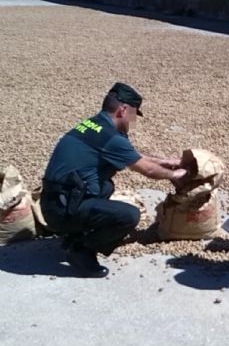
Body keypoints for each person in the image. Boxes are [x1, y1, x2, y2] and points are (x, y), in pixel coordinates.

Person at [41, 82, 187, 278]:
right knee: (129, 215)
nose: (133, 120)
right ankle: (82, 250)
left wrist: (165, 161)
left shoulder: (95, 125)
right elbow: (148, 170)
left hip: (55, 202)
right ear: (123, 110)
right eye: (134, 115)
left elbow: (132, 156)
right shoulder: (111, 137)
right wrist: (177, 174)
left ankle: (73, 235)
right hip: (61, 211)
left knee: (105, 186)